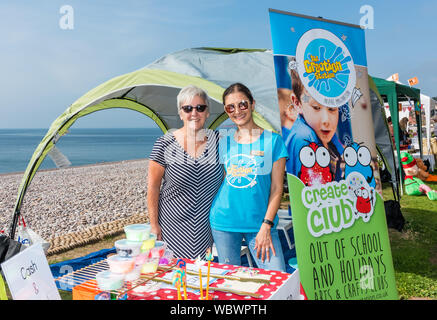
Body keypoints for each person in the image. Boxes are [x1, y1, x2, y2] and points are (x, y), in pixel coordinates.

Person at [209, 83, 288, 271]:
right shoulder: (223, 142)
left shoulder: (273, 140)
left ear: (252, 104)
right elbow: (224, 179)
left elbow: (277, 188)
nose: (237, 111)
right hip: (224, 221)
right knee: (231, 281)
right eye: (231, 107)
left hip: (260, 224)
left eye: (242, 104)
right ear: (226, 111)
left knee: (276, 279)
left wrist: (266, 225)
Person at [147, 85, 224, 259]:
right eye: (188, 108)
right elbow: (153, 188)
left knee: (202, 276)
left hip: (207, 227)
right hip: (172, 227)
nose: (194, 113)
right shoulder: (164, 144)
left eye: (200, 107)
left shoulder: (220, 142)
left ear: (207, 112)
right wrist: (154, 224)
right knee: (175, 278)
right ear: (181, 114)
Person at [285, 69, 344, 184]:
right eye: (316, 107)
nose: (326, 120)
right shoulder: (307, 139)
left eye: (332, 109)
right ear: (297, 103)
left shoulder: (320, 132)